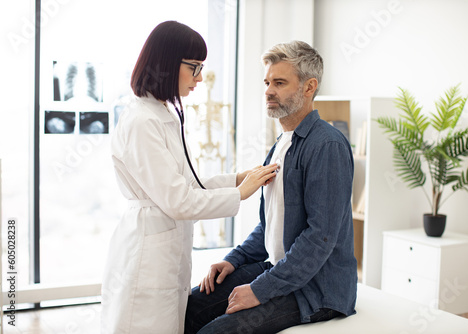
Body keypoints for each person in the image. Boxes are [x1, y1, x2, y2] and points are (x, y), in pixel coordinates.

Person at [100, 21, 277, 334]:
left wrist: (237, 179)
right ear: (167, 62)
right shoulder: (142, 121)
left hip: (165, 250)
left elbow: (186, 185)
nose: (199, 77)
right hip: (147, 255)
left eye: (202, 67)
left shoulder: (163, 114)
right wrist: (242, 193)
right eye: (194, 67)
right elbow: (179, 201)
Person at [185, 40, 358, 334]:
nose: (268, 90)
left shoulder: (327, 145)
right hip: (282, 270)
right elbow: (270, 225)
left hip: (318, 289)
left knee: (216, 332)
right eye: (267, 82)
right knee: (190, 306)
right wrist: (233, 260)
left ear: (309, 87)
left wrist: (259, 290)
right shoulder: (282, 144)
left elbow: (319, 239)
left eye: (279, 82)